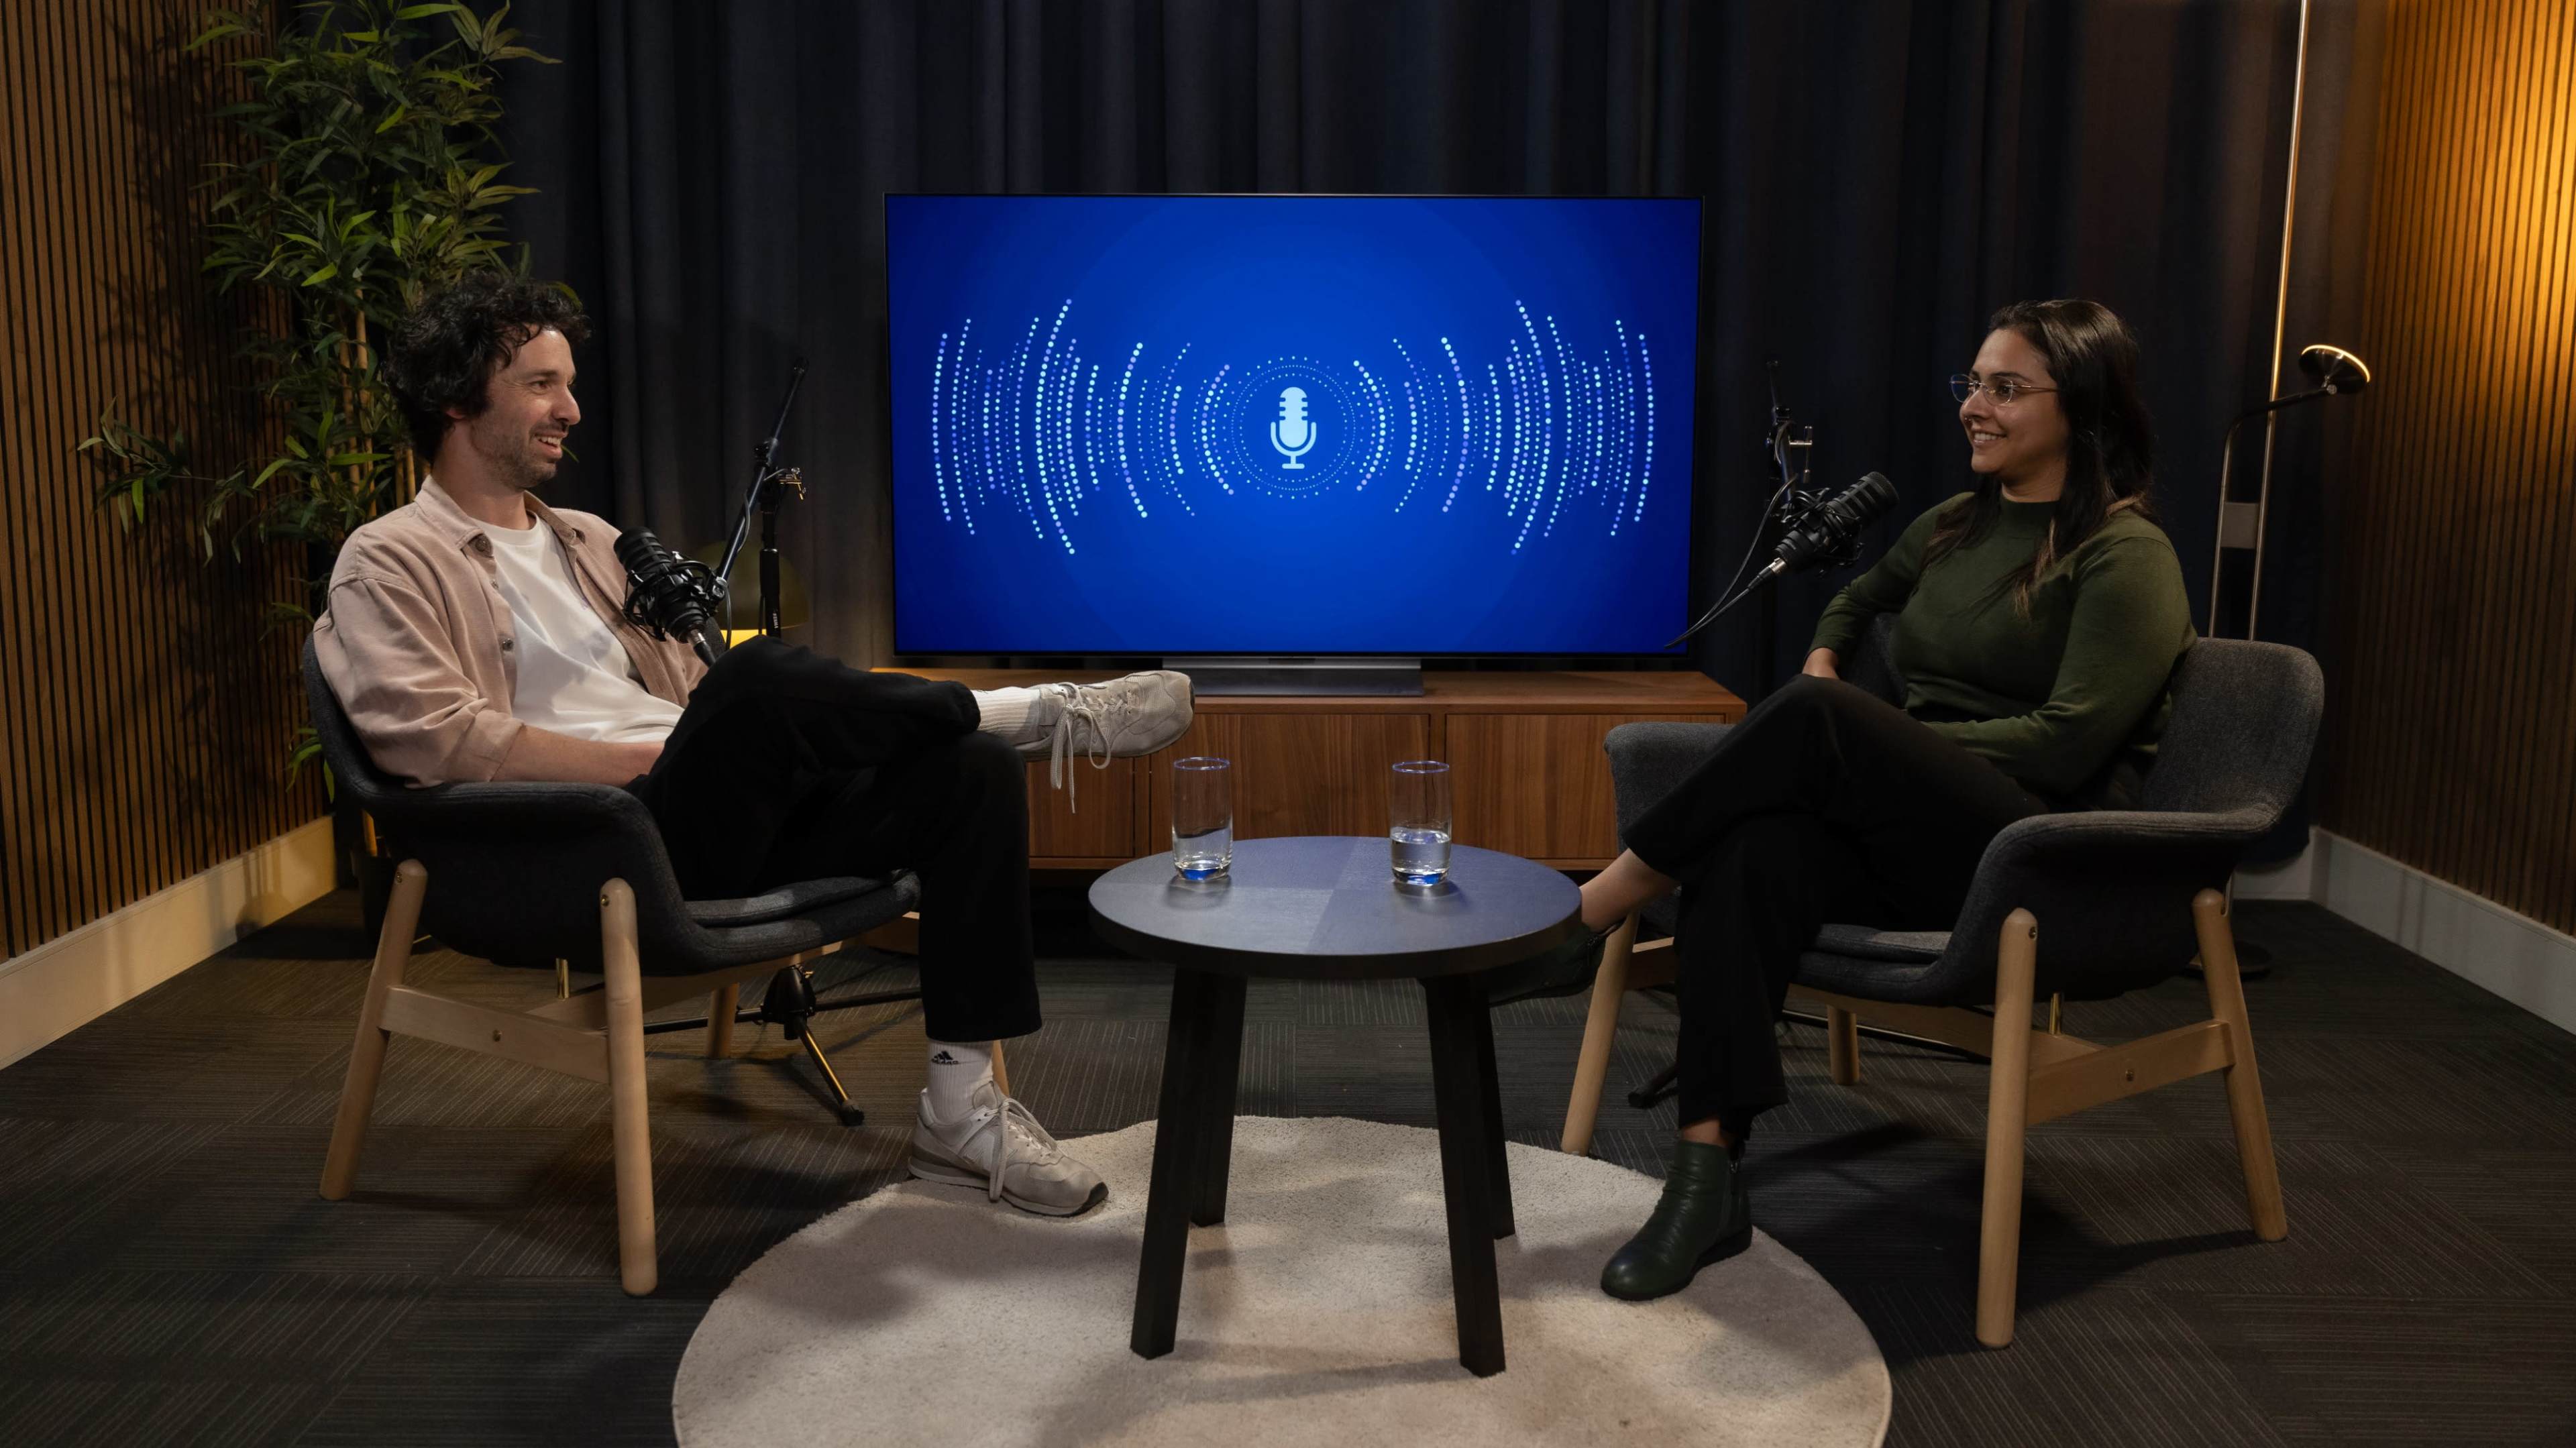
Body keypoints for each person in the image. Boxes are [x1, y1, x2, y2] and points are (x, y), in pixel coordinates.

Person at [314, 274, 1196, 1218]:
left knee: (967, 771)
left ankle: (960, 1115)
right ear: (457, 400)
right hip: (591, 844)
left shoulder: (594, 542)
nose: (570, 409)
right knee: (757, 676)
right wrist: (655, 761)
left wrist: (754, 743)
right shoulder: (390, 559)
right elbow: (438, 742)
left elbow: (700, 702)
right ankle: (1028, 715)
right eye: (540, 385)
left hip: (716, 815)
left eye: (568, 384)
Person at [1564, 298, 2196, 1300]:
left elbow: (2070, 741)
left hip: (2037, 847)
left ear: (2080, 406)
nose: (1974, 407)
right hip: (1916, 840)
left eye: (2005, 389)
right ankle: (1705, 1178)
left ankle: (1594, 911)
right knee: (1754, 850)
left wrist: (1877, 737)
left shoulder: (2126, 555)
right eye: (1971, 384)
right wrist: (1828, 659)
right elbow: (1856, 599)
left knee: (1822, 722)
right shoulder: (1955, 526)